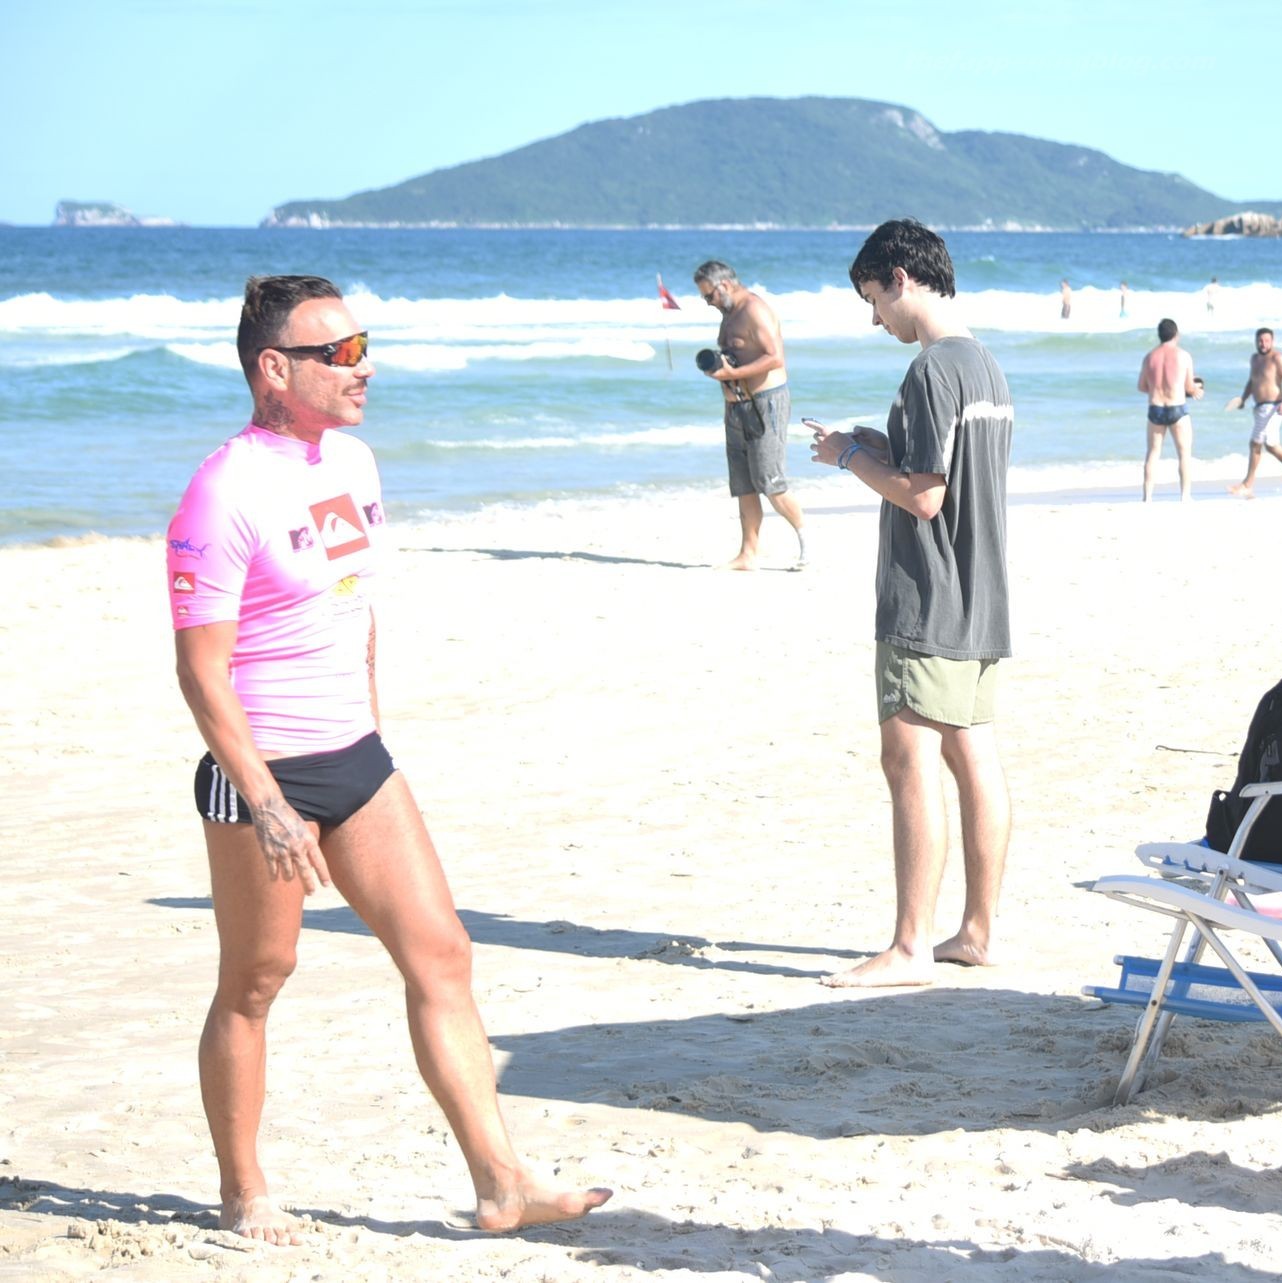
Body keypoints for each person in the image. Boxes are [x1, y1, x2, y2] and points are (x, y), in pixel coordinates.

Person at [166, 276, 611, 1245]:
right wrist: (267, 802)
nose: (363, 368)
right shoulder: (222, 490)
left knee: (442, 950)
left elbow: (354, 606)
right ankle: (244, 1189)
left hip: (357, 758)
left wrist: (368, 728)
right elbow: (201, 673)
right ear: (274, 368)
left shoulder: (355, 462)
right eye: (340, 353)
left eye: (365, 346)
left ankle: (502, 1183)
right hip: (264, 771)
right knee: (258, 976)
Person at [808, 219, 1014, 988]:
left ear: (900, 277)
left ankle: (909, 946)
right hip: (981, 591)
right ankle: (978, 932)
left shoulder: (930, 369)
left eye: (872, 299)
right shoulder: (984, 364)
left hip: (927, 595)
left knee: (909, 760)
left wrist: (847, 456)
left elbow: (925, 498)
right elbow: (952, 473)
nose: (875, 319)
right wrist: (879, 445)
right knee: (973, 755)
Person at [694, 260, 806, 571]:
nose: (708, 302)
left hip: (765, 403)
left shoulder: (755, 310)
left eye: (709, 295)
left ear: (725, 285)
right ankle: (748, 554)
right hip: (736, 406)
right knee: (743, 484)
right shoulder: (728, 313)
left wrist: (734, 373)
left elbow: (775, 357)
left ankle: (806, 542)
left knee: (770, 481)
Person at [1225, 328, 1282, 497]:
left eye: (1267, 341)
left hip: (1273, 408)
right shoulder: (1255, 359)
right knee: (1267, 445)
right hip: (1259, 408)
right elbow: (1252, 381)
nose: (1263, 344)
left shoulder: (1276, 358)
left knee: (1258, 444)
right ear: (1256, 341)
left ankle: (1248, 484)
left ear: (1272, 341)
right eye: (1260, 341)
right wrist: (1243, 398)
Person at [1137, 318, 1203, 502]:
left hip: (1156, 407)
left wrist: (1157, 388)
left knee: (1152, 453)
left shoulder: (1149, 357)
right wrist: (1196, 390)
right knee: (1184, 453)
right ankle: (1185, 496)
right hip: (1177, 408)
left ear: (1159, 335)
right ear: (1176, 334)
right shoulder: (1184, 356)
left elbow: (1141, 386)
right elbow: (1189, 386)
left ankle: (1147, 497)